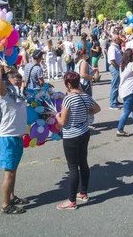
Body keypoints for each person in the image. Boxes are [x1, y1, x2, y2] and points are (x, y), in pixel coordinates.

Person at [55, 71, 101, 210]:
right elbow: (97, 109)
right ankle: (83, 193)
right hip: (84, 132)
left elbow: (63, 121)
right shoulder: (85, 96)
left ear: (68, 84)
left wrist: (57, 116)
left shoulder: (68, 99)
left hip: (71, 135)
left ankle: (71, 200)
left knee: (73, 167)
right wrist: (86, 114)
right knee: (83, 163)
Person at [0, 67, 28, 215]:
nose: (18, 80)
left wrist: (12, 70)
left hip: (17, 137)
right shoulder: (4, 94)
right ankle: (5, 205)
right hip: (7, 139)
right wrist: (1, 68)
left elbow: (24, 80)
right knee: (9, 174)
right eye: (15, 78)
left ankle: (11, 197)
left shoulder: (18, 94)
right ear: (7, 80)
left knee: (13, 171)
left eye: (19, 78)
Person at [107, 34, 123, 110]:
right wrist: (117, 68)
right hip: (114, 68)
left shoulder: (116, 47)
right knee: (115, 86)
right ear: (115, 40)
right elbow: (112, 60)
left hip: (116, 67)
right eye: (118, 39)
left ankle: (115, 100)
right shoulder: (113, 48)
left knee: (117, 85)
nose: (119, 40)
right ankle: (112, 103)